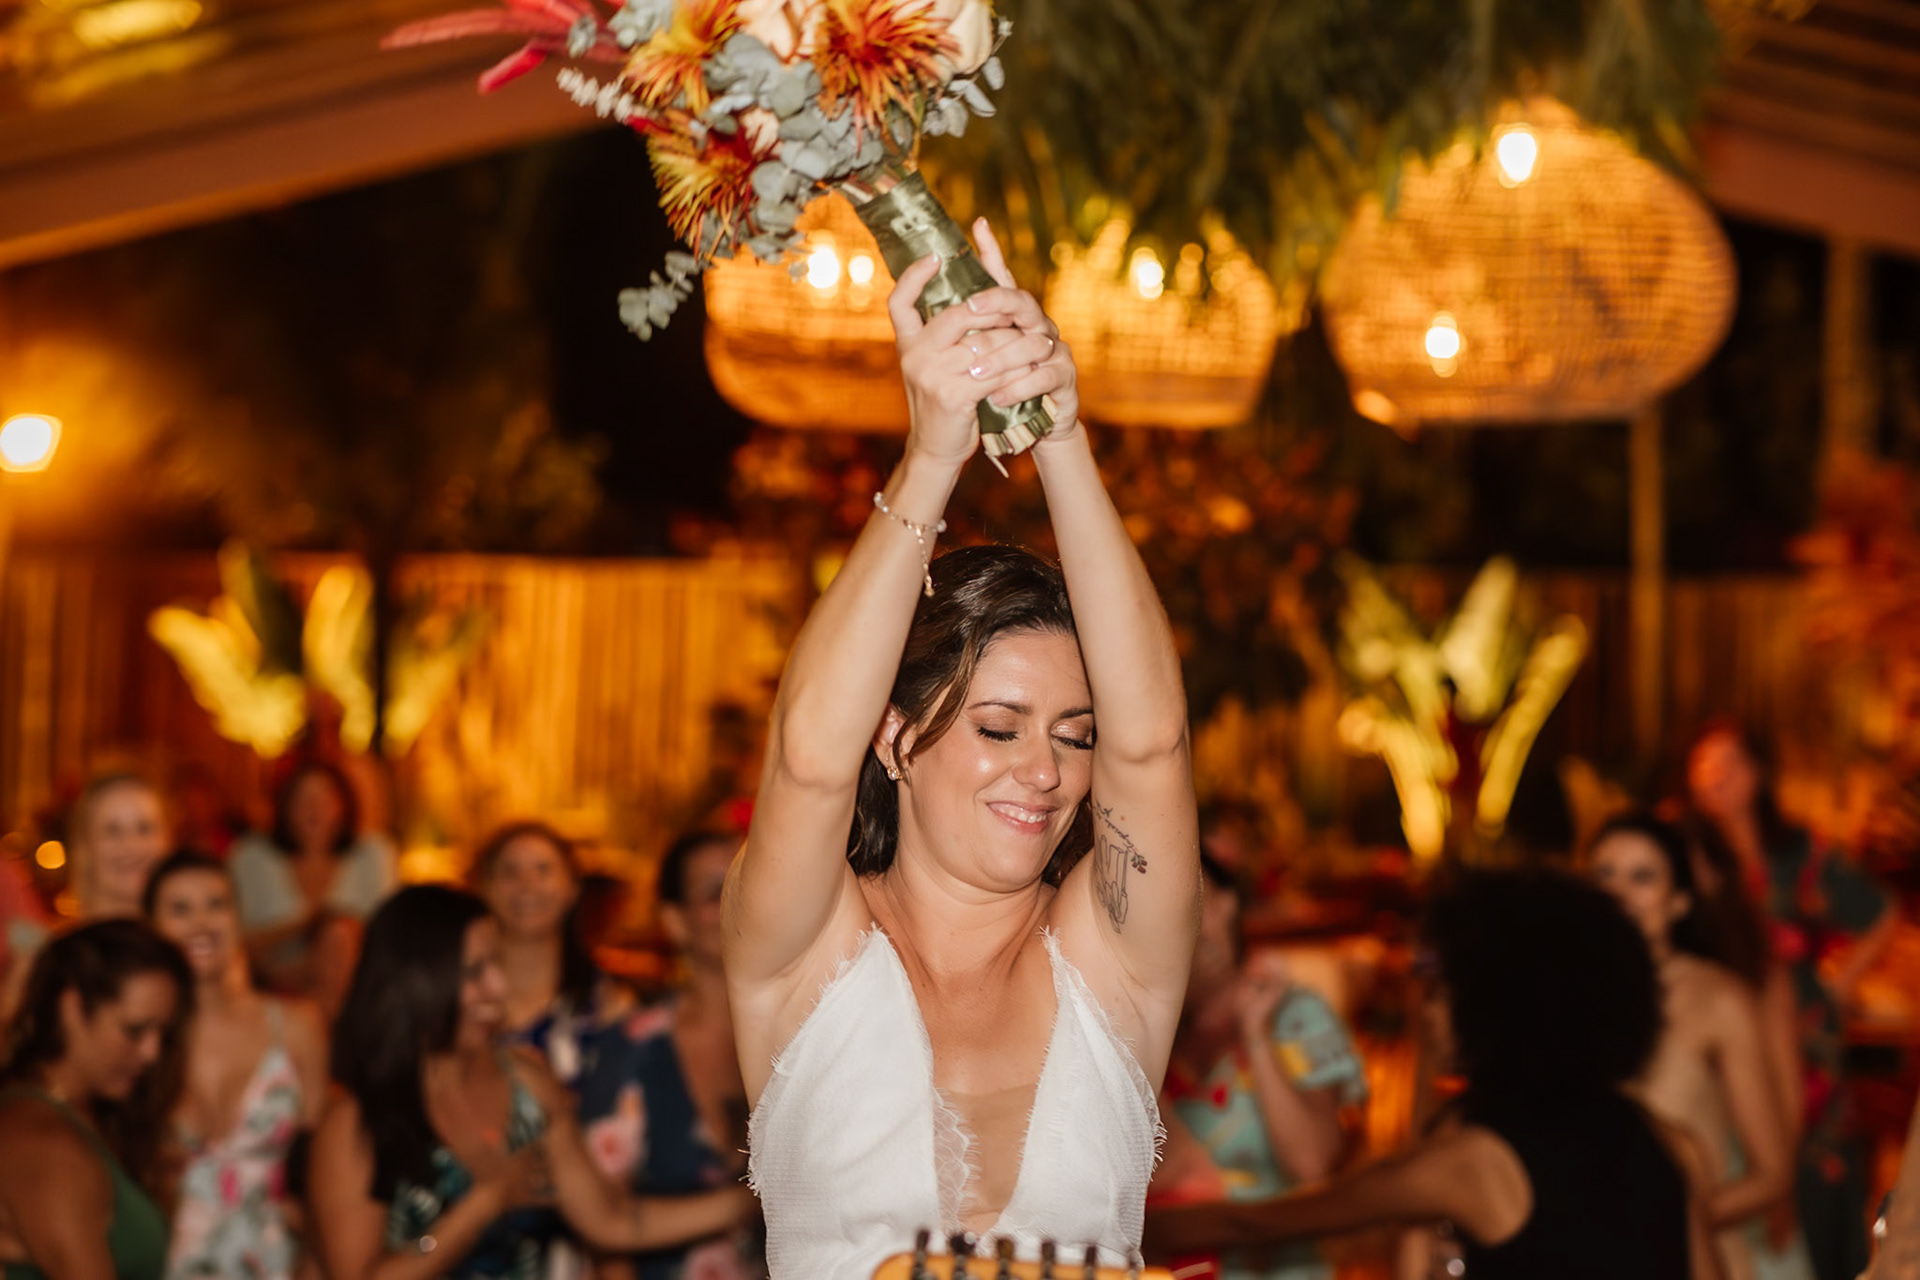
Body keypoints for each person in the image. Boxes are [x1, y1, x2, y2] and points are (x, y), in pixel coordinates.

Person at [726, 221, 1201, 1280]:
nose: (1047, 769)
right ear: (894, 736)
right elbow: (807, 757)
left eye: (1075, 735)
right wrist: (934, 450)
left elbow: (1156, 742)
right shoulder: (807, 944)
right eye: (999, 726)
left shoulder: (1114, 962)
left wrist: (1061, 431)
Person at [1146, 870, 1726, 1280]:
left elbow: (1262, 1224)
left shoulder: (1475, 1161)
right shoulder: (1669, 1142)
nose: (1428, 1009)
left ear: (1495, 1007)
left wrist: (1107, 1232)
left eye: (1444, 990)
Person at [307, 885, 754, 1280]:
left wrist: (754, 1201)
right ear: (417, 983)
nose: (498, 987)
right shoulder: (354, 1124)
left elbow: (609, 1220)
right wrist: (487, 1201)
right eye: (474, 972)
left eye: (497, 964)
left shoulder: (525, 1079)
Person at [478, 824, 759, 1280]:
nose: (740, 899)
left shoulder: (814, 1028)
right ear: (673, 920)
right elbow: (607, 1219)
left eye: (751, 879)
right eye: (715, 891)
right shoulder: (633, 1040)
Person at [1688, 723, 1898, 1280]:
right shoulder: (1693, 859)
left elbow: (1880, 912)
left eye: (1727, 765)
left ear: (1757, 774)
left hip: (1803, 1040)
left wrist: (1842, 981)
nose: (1715, 778)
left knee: (1814, 1171)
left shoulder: (1797, 854)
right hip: (1722, 1041)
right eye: (1704, 766)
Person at [1588, 812, 1812, 1280]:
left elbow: (1771, 1174)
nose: (1618, 893)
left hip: (1688, 1260)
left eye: (1642, 877)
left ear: (1679, 903)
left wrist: (1661, 1226)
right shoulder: (1558, 999)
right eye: (1604, 874)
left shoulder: (1718, 999)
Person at [1150, 854, 1366, 1280]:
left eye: (1195, 903)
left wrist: (1256, 1035)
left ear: (1228, 905)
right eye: (1161, 909)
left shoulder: (1292, 1014)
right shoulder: (1144, 1033)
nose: (1185, 927)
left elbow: (1312, 1164)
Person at [143, 853, 328, 1280]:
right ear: (150, 928)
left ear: (239, 919)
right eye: (180, 909)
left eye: (216, 904)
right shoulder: (141, 1041)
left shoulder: (296, 1027)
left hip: (278, 1264)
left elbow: (321, 1178)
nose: (202, 922)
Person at [0, 919, 194, 1280]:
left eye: (160, 1033)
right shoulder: (41, 1142)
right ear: (72, 1008)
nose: (152, 1052)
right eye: (134, 1030)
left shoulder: (80, 1116)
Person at [229, 761, 397, 1012]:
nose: (314, 809)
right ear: (285, 807)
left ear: (344, 806)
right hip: (274, 991)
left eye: (325, 799)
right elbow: (236, 945)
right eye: (303, 799)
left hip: (355, 991)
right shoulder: (252, 858)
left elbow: (390, 941)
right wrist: (307, 924)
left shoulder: (373, 856)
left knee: (339, 935)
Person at [3, 773, 173, 1017]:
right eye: (113, 831)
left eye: (145, 829)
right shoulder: (48, 960)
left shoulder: (183, 949)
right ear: (85, 848)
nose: (132, 845)